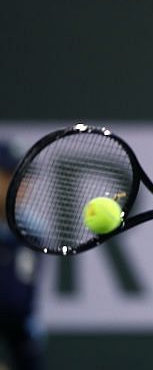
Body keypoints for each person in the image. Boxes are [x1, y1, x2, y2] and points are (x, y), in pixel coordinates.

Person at [0, 141, 45, 370]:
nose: (20, 185)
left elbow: (22, 307)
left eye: (23, 178)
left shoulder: (33, 233)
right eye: (10, 175)